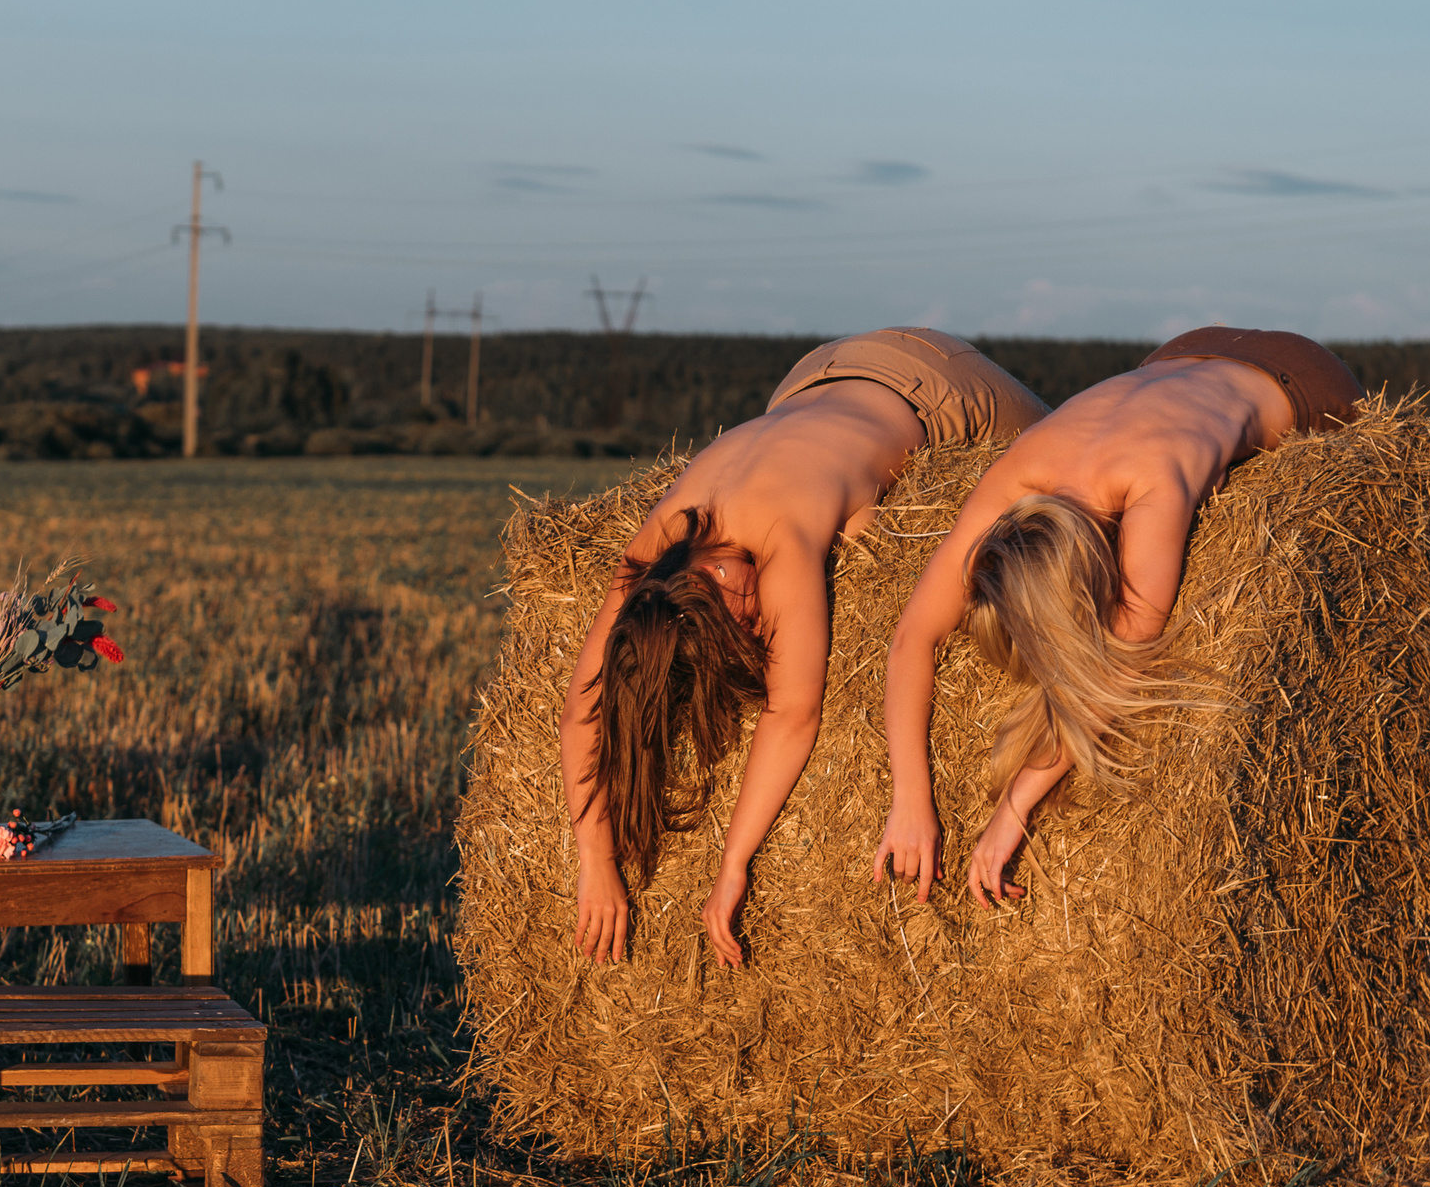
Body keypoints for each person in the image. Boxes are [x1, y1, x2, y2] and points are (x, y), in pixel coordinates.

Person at [564, 328, 1049, 966]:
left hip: (929, 382)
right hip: (812, 376)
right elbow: (585, 706)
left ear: (712, 577)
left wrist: (734, 863)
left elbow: (793, 713)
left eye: (739, 619)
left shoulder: (782, 536)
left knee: (1072, 450)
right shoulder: (662, 546)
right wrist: (594, 862)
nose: (756, 624)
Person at [872, 326, 1364, 910]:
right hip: (1180, 351)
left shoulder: (1154, 481)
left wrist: (1014, 809)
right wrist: (909, 798)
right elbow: (912, 636)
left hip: (1297, 377)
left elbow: (1120, 673)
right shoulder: (1017, 479)